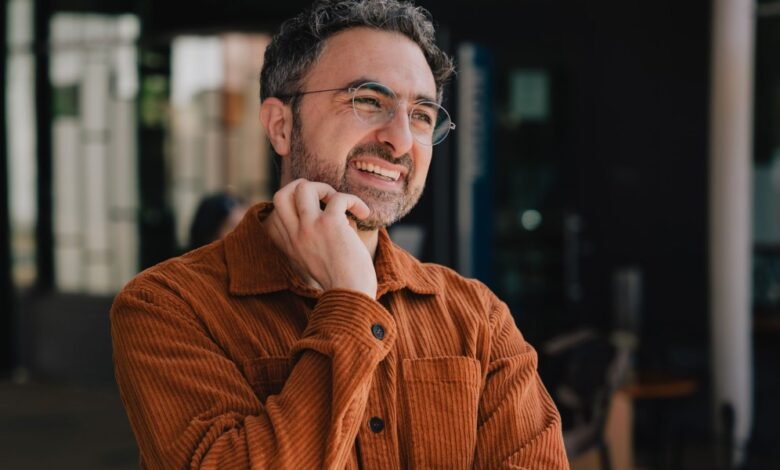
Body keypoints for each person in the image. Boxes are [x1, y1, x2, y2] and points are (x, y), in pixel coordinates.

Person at [110, 0, 569, 468]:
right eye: (369, 101)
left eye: (422, 116)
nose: (401, 140)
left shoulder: (478, 319)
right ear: (281, 126)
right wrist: (350, 301)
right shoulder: (168, 307)